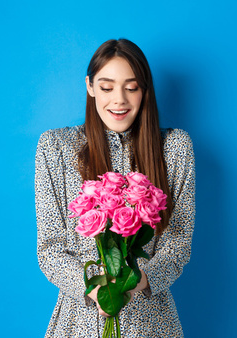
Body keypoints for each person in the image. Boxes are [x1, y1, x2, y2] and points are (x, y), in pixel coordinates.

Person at [35, 39, 195, 337]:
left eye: (131, 87)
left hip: (152, 323)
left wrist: (139, 280)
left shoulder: (175, 148)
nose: (119, 100)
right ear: (90, 86)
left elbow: (178, 242)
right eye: (107, 87)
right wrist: (97, 290)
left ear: (145, 90)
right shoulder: (55, 147)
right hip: (78, 322)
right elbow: (49, 248)